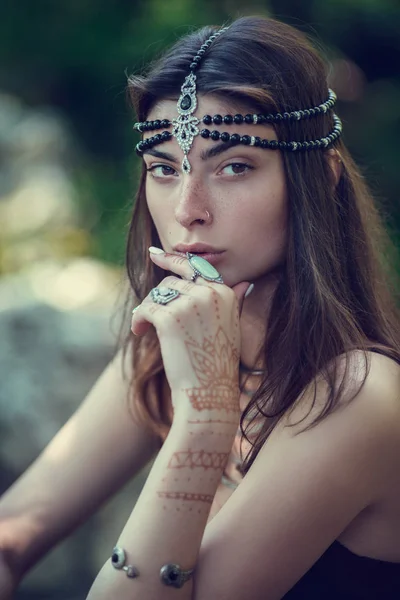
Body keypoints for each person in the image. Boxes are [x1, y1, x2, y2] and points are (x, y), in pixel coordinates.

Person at [1, 15, 400, 600]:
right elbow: (14, 533)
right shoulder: (170, 342)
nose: (189, 209)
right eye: (164, 168)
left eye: (234, 166)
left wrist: (206, 415)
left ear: (321, 175)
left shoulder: (359, 394)